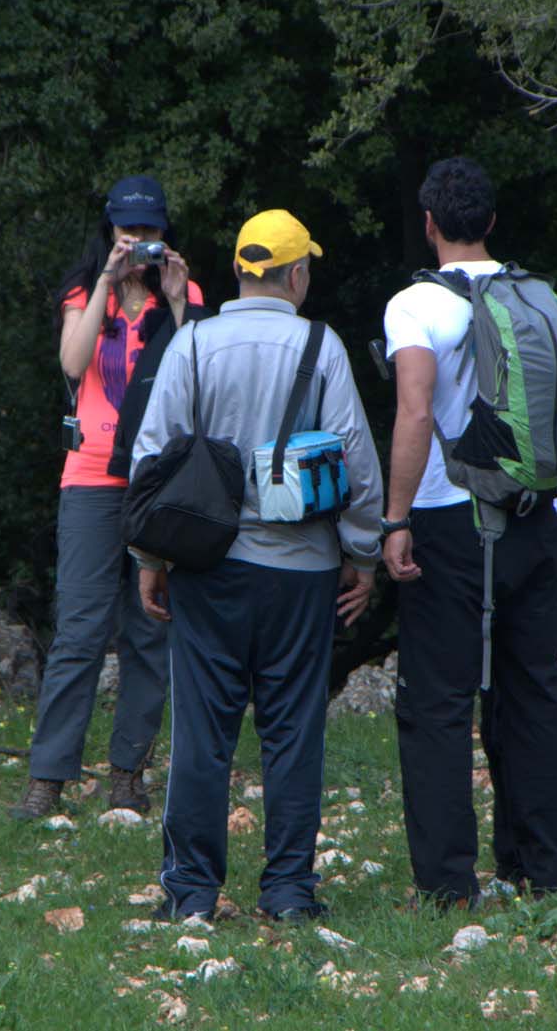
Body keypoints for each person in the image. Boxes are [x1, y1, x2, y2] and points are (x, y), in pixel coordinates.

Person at [132, 209, 384, 922]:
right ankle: (288, 892)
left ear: (241, 270)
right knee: (293, 731)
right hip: (302, 572)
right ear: (297, 274)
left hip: (208, 567)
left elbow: (154, 457)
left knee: (202, 735)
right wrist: (363, 558)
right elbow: (358, 467)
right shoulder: (322, 345)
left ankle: (190, 894)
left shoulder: (192, 344)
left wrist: (151, 558)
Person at [379, 157, 557, 907]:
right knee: (532, 690)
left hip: (448, 525)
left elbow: (414, 411)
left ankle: (447, 884)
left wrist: (396, 517)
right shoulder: (546, 300)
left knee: (438, 702)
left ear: (431, 223)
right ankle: (549, 869)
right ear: (494, 224)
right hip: (538, 520)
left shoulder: (414, 306)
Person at [9, 175, 208, 821]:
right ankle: (49, 777)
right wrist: (104, 284)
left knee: (150, 630)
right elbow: (72, 362)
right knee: (79, 631)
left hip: (158, 478)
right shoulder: (82, 290)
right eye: (129, 231)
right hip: (91, 476)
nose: (139, 242)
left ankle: (128, 773)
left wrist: (178, 303)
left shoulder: (186, 294)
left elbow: (199, 375)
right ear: (110, 229)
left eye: (150, 232)